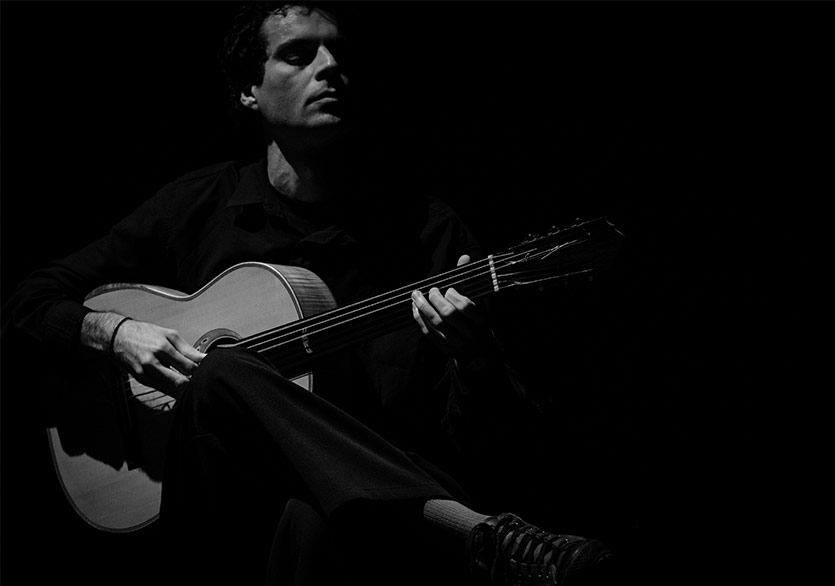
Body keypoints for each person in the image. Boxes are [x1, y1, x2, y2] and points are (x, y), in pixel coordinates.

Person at [2, 3, 615, 585]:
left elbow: (493, 449)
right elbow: (26, 303)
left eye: (339, 54)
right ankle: (478, 536)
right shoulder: (195, 208)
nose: (330, 68)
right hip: (212, 500)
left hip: (368, 525)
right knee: (222, 372)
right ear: (249, 91)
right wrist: (113, 332)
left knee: (309, 519)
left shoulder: (427, 233)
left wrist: (475, 360)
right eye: (298, 55)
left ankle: (470, 534)